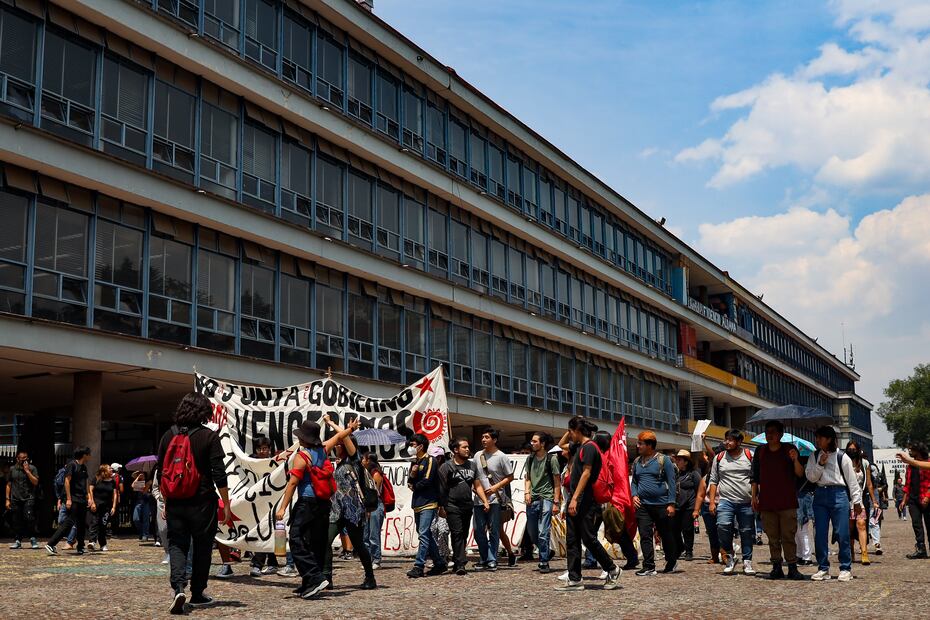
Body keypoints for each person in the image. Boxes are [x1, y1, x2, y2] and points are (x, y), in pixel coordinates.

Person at [157, 393, 231, 614]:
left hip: (176, 502)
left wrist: (166, 500)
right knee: (202, 547)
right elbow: (220, 473)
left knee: (177, 544)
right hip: (202, 501)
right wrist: (226, 504)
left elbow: (162, 471)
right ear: (204, 412)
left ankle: (178, 587)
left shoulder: (168, 436)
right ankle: (198, 592)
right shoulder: (208, 436)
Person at [275, 417, 353, 599]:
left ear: (303, 439)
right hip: (324, 504)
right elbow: (339, 436)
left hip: (307, 503)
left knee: (296, 539)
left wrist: (282, 508)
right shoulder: (323, 449)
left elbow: (293, 482)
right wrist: (349, 429)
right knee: (315, 543)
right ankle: (309, 583)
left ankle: (314, 578)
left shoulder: (302, 457)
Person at [555, 416, 621, 591]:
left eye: (570, 431)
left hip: (584, 500)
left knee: (588, 539)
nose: (569, 435)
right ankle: (575, 578)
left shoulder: (590, 448)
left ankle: (612, 569)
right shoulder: (580, 446)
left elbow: (586, 473)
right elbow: (561, 445)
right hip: (576, 498)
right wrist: (570, 429)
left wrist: (575, 498)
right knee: (572, 539)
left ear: (577, 431)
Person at [321, 415, 376, 590]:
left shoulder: (355, 460)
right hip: (337, 510)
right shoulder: (339, 463)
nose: (336, 445)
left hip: (353, 511)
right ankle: (326, 578)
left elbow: (343, 436)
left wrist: (332, 424)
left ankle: (370, 577)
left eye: (338, 444)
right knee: (325, 540)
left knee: (359, 545)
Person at [805, 425, 863, 582]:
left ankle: (845, 568)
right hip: (820, 495)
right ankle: (823, 568)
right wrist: (820, 464)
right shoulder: (814, 455)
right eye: (816, 437)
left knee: (842, 532)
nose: (817, 440)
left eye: (820, 438)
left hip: (839, 494)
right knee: (820, 534)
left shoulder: (842, 457)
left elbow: (852, 482)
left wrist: (857, 502)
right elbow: (811, 477)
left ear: (829, 439)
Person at [750, 420, 804, 580]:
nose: (769, 435)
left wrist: (795, 460)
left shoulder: (790, 449)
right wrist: (754, 496)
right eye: (767, 432)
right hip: (767, 502)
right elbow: (755, 476)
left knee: (788, 536)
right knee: (772, 537)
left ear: (781, 434)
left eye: (773, 431)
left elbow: (800, 474)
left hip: (787, 502)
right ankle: (776, 566)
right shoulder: (760, 451)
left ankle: (792, 566)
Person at [630, 431, 678, 576]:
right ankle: (649, 565)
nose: (638, 446)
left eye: (641, 443)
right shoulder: (637, 461)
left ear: (650, 445)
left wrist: (671, 503)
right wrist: (634, 495)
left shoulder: (664, 460)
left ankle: (671, 561)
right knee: (645, 535)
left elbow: (671, 482)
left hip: (662, 505)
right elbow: (634, 482)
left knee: (665, 534)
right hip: (642, 505)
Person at [708, 429, 756, 576]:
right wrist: (711, 502)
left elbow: (755, 479)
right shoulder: (719, 458)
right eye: (726, 439)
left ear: (739, 442)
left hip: (746, 500)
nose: (727, 442)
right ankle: (729, 557)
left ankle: (747, 562)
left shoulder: (749, 456)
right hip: (726, 500)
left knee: (747, 532)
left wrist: (755, 497)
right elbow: (713, 480)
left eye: (730, 440)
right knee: (722, 526)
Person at [439, 437, 489, 575]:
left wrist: (484, 500)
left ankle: (456, 560)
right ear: (455, 450)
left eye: (468, 447)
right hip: (452, 505)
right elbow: (441, 489)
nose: (467, 449)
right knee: (457, 533)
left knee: (464, 534)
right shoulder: (446, 467)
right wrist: (441, 507)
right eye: (464, 447)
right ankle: (461, 563)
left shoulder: (472, 465)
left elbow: (477, 484)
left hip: (467, 505)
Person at [472, 428, 514, 571]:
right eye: (482, 437)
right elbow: (474, 475)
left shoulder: (502, 457)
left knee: (494, 530)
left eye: (487, 437)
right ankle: (484, 558)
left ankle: (492, 559)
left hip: (495, 499)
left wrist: (496, 487)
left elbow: (510, 477)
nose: (483, 439)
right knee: (478, 531)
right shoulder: (478, 455)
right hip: (478, 499)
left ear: (494, 440)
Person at [406, 434, 447, 578]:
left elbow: (427, 480)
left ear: (420, 446)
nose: (411, 447)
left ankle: (419, 565)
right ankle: (439, 562)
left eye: (413, 444)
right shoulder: (415, 462)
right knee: (425, 534)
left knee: (423, 533)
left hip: (429, 502)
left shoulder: (430, 460)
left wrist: (415, 485)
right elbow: (409, 481)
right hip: (417, 502)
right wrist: (413, 474)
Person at [524, 432, 562, 572]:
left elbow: (557, 481)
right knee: (532, 532)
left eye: (535, 441)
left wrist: (556, 502)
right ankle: (546, 551)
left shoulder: (551, 459)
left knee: (542, 531)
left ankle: (543, 560)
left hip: (546, 497)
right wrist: (527, 492)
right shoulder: (530, 459)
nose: (532, 443)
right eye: (532, 441)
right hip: (532, 499)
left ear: (543, 443)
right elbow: (527, 478)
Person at [46, 447, 92, 556]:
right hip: (74, 498)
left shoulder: (84, 467)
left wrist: (89, 497)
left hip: (82, 499)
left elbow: (86, 483)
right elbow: (67, 482)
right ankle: (51, 543)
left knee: (81, 524)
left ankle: (80, 546)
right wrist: (69, 499)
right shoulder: (72, 465)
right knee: (69, 522)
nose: (90, 456)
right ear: (84, 454)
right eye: (89, 454)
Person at [248, 438, 280, 577]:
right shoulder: (251, 463)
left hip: (271, 502)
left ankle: (258, 564)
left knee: (266, 531)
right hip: (256, 503)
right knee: (264, 531)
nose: (263, 451)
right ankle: (272, 563)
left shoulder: (274, 463)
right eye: (260, 449)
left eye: (265, 448)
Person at [844, 440, 877, 565]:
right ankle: (851, 551)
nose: (852, 451)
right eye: (849, 449)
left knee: (861, 524)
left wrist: (874, 500)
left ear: (858, 450)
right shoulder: (843, 462)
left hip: (860, 500)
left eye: (854, 449)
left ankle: (864, 552)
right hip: (847, 500)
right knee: (850, 527)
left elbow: (869, 483)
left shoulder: (864, 463)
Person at [897, 443, 930, 559]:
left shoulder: (927, 463)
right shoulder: (910, 466)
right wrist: (904, 500)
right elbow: (908, 484)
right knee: (917, 524)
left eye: (912, 449)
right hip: (913, 499)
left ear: (919, 450)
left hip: (926, 498)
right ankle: (921, 549)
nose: (910, 451)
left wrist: (927, 496)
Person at [6, 449, 39, 549]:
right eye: (22, 459)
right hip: (15, 498)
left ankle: (32, 538)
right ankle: (17, 540)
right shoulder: (12, 469)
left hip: (28, 498)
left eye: (26, 458)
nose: (25, 460)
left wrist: (27, 471)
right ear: (17, 459)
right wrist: (7, 499)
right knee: (16, 520)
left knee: (28, 517)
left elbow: (35, 482)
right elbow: (8, 484)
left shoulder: (32, 468)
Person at [673, 449, 701, 562]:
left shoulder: (693, 474)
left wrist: (696, 508)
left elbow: (699, 491)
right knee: (674, 530)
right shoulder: (675, 474)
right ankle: (680, 548)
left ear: (686, 462)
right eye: (677, 460)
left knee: (687, 530)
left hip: (689, 506)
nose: (677, 462)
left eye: (679, 460)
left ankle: (689, 551)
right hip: (676, 505)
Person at [361, 451, 385, 570]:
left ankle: (376, 559)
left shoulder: (376, 474)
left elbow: (374, 493)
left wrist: (370, 508)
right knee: (365, 534)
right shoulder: (365, 473)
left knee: (373, 535)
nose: (362, 461)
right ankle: (368, 559)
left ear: (369, 461)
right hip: (367, 506)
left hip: (375, 505)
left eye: (364, 459)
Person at [87, 464, 118, 552]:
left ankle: (103, 544)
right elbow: (90, 490)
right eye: (109, 468)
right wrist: (92, 502)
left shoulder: (112, 481)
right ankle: (92, 541)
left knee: (103, 524)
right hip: (96, 505)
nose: (111, 469)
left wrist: (114, 507)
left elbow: (115, 494)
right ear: (104, 470)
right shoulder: (96, 479)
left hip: (107, 506)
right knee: (95, 522)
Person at [131, 471, 153, 542]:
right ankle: (141, 532)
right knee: (136, 519)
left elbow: (146, 492)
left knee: (146, 519)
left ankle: (145, 535)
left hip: (146, 502)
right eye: (139, 474)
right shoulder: (137, 482)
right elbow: (132, 486)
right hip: (138, 502)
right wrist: (138, 478)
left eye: (142, 474)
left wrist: (148, 486)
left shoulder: (148, 482)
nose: (141, 475)